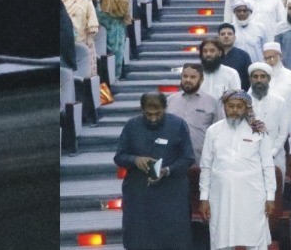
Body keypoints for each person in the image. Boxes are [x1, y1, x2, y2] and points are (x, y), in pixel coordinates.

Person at [115, 91, 197, 250]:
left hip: (171, 193)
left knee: (174, 239)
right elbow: (119, 157)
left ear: (165, 108)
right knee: (139, 238)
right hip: (140, 193)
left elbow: (188, 158)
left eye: (157, 114)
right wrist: (135, 160)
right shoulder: (131, 126)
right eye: (148, 114)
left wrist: (167, 170)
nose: (153, 118)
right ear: (141, 110)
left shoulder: (178, 125)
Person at [200, 90, 277, 250]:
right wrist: (204, 198)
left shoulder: (258, 131)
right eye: (230, 106)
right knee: (220, 237)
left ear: (246, 108)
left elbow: (268, 166)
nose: (234, 110)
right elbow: (206, 166)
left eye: (239, 106)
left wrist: (270, 196)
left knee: (255, 238)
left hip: (252, 195)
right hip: (221, 196)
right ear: (224, 107)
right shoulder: (213, 131)